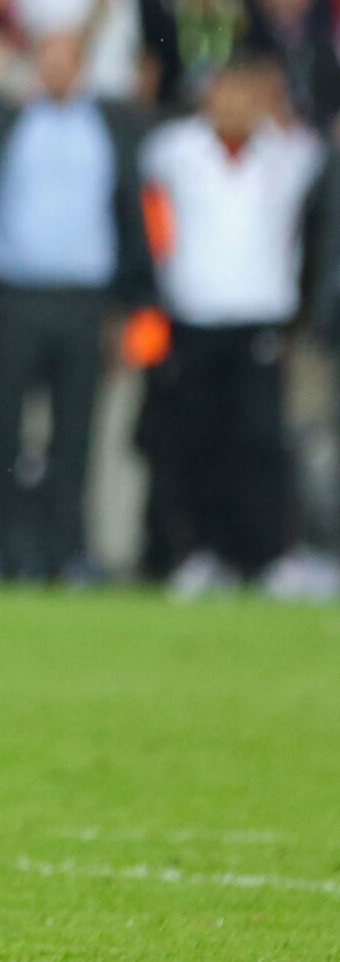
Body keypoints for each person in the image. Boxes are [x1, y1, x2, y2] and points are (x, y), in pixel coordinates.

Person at [0, 33, 152, 582]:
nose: (55, 69)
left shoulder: (111, 127)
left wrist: (128, 304)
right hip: (13, 295)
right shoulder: (5, 121)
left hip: (84, 301)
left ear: (84, 68)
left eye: (66, 60)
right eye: (46, 58)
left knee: (75, 434)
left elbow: (128, 212)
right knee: (2, 431)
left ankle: (67, 551)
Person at [141, 59, 324, 596]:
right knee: (197, 440)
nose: (235, 105)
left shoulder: (291, 154)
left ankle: (267, 556)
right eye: (226, 93)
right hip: (194, 315)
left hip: (260, 317)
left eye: (247, 94)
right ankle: (199, 553)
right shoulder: (173, 151)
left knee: (261, 441)